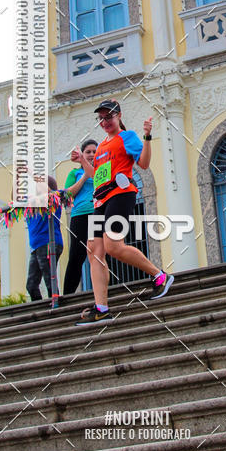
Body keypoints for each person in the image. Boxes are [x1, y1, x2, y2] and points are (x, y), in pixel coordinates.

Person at [71, 99, 173, 325]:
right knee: (94, 251)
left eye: (109, 116)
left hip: (120, 194)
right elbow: (96, 175)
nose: (105, 121)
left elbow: (143, 163)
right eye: (101, 118)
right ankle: (101, 308)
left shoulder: (127, 137)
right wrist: (82, 160)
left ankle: (160, 276)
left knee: (113, 246)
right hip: (100, 200)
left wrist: (147, 136)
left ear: (119, 115)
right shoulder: (101, 148)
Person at [63, 139, 97, 295]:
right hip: (79, 216)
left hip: (98, 213)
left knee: (101, 253)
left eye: (94, 151)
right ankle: (68, 294)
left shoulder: (101, 169)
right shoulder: (74, 173)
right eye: (88, 152)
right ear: (82, 154)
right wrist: (84, 176)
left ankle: (104, 290)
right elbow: (67, 195)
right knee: (76, 256)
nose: (91, 154)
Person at [25, 176, 63, 302]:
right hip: (37, 247)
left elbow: (49, 192)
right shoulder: (32, 205)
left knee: (50, 280)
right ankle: (41, 309)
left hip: (48, 243)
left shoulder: (53, 200)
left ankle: (56, 307)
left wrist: (33, 175)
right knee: (31, 285)